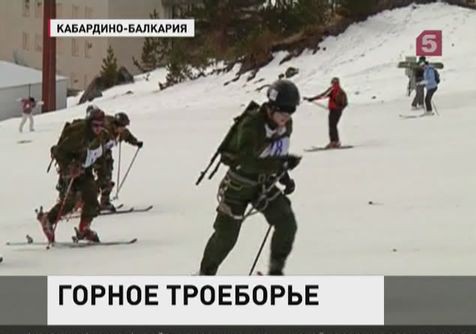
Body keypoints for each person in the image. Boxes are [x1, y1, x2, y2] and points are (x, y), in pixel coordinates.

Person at [199, 79, 302, 276]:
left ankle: (276, 272)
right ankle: (206, 275)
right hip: (238, 186)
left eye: (291, 112)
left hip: (263, 185)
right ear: (271, 107)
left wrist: (284, 177)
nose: (286, 117)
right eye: (282, 112)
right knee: (226, 238)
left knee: (286, 222)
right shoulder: (252, 124)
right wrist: (280, 164)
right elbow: (245, 160)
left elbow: (276, 152)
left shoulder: (286, 125)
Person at [38, 109, 110, 243]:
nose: (98, 128)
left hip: (84, 169)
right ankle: (48, 220)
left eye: (101, 125)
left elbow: (100, 156)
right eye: (95, 125)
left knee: (92, 198)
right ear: (89, 124)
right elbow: (59, 152)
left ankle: (84, 228)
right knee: (71, 201)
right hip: (69, 168)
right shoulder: (78, 134)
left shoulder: (101, 137)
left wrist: (103, 177)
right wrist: (70, 167)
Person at [94, 111, 143, 211]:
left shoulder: (121, 131)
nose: (124, 129)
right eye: (123, 127)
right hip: (95, 155)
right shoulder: (105, 131)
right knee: (101, 179)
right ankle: (89, 202)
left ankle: (104, 202)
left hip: (106, 154)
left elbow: (128, 136)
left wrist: (136, 143)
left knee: (107, 177)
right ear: (116, 125)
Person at [304, 77, 347, 148]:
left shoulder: (332, 89)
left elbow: (323, 95)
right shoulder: (341, 90)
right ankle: (336, 142)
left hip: (334, 110)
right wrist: (340, 109)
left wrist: (312, 98)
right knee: (334, 125)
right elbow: (345, 103)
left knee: (332, 126)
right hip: (338, 111)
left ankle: (334, 142)